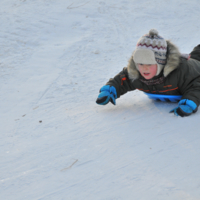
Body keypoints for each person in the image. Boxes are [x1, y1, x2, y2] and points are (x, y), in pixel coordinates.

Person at [96, 29, 200, 117]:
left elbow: (196, 85)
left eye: (149, 64)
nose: (144, 68)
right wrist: (110, 90)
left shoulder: (180, 72)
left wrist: (189, 102)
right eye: (140, 63)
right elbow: (123, 80)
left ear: (161, 64)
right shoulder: (136, 73)